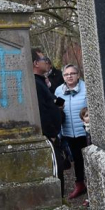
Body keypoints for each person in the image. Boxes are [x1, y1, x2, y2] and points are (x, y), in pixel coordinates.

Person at [32, 48, 65, 195]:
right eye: (43, 59)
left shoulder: (42, 82)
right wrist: (51, 133)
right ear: (35, 63)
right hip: (48, 136)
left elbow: (49, 103)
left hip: (52, 134)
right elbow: (41, 111)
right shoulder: (35, 84)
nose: (47, 61)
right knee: (56, 172)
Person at [54, 64, 88, 200]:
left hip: (85, 132)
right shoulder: (59, 91)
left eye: (72, 73)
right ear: (63, 77)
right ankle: (80, 185)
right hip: (68, 132)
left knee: (89, 160)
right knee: (77, 160)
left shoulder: (86, 88)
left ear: (78, 75)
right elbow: (58, 110)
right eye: (66, 74)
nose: (69, 76)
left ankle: (93, 187)